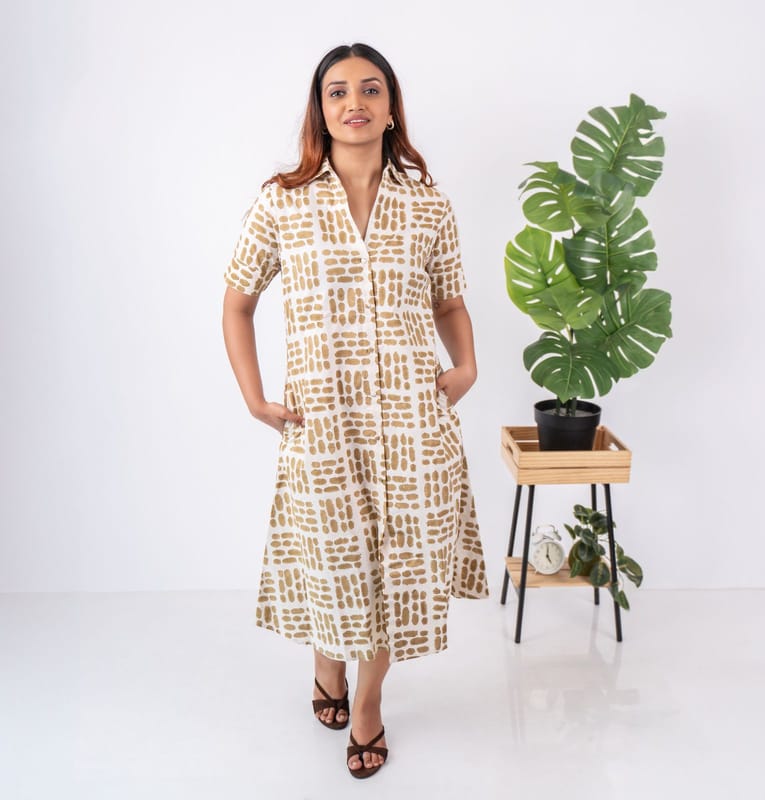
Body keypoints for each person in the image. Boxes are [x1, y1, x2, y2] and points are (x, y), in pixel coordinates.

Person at [221, 42, 489, 779]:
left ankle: (366, 706)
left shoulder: (428, 204)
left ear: (391, 107)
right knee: (335, 559)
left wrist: (466, 364)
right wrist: (253, 397)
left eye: (371, 89)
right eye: (337, 92)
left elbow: (450, 302)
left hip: (413, 420)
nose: (354, 103)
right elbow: (238, 303)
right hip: (323, 422)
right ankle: (326, 664)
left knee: (400, 567)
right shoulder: (282, 201)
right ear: (320, 110)